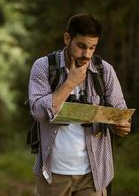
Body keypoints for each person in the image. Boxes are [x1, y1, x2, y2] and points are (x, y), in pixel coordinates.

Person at [28, 13, 131, 196]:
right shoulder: (43, 66)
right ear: (67, 38)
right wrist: (70, 83)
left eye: (92, 48)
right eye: (81, 46)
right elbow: (38, 112)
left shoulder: (104, 70)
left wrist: (121, 126)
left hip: (94, 175)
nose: (87, 54)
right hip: (53, 174)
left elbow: (120, 111)